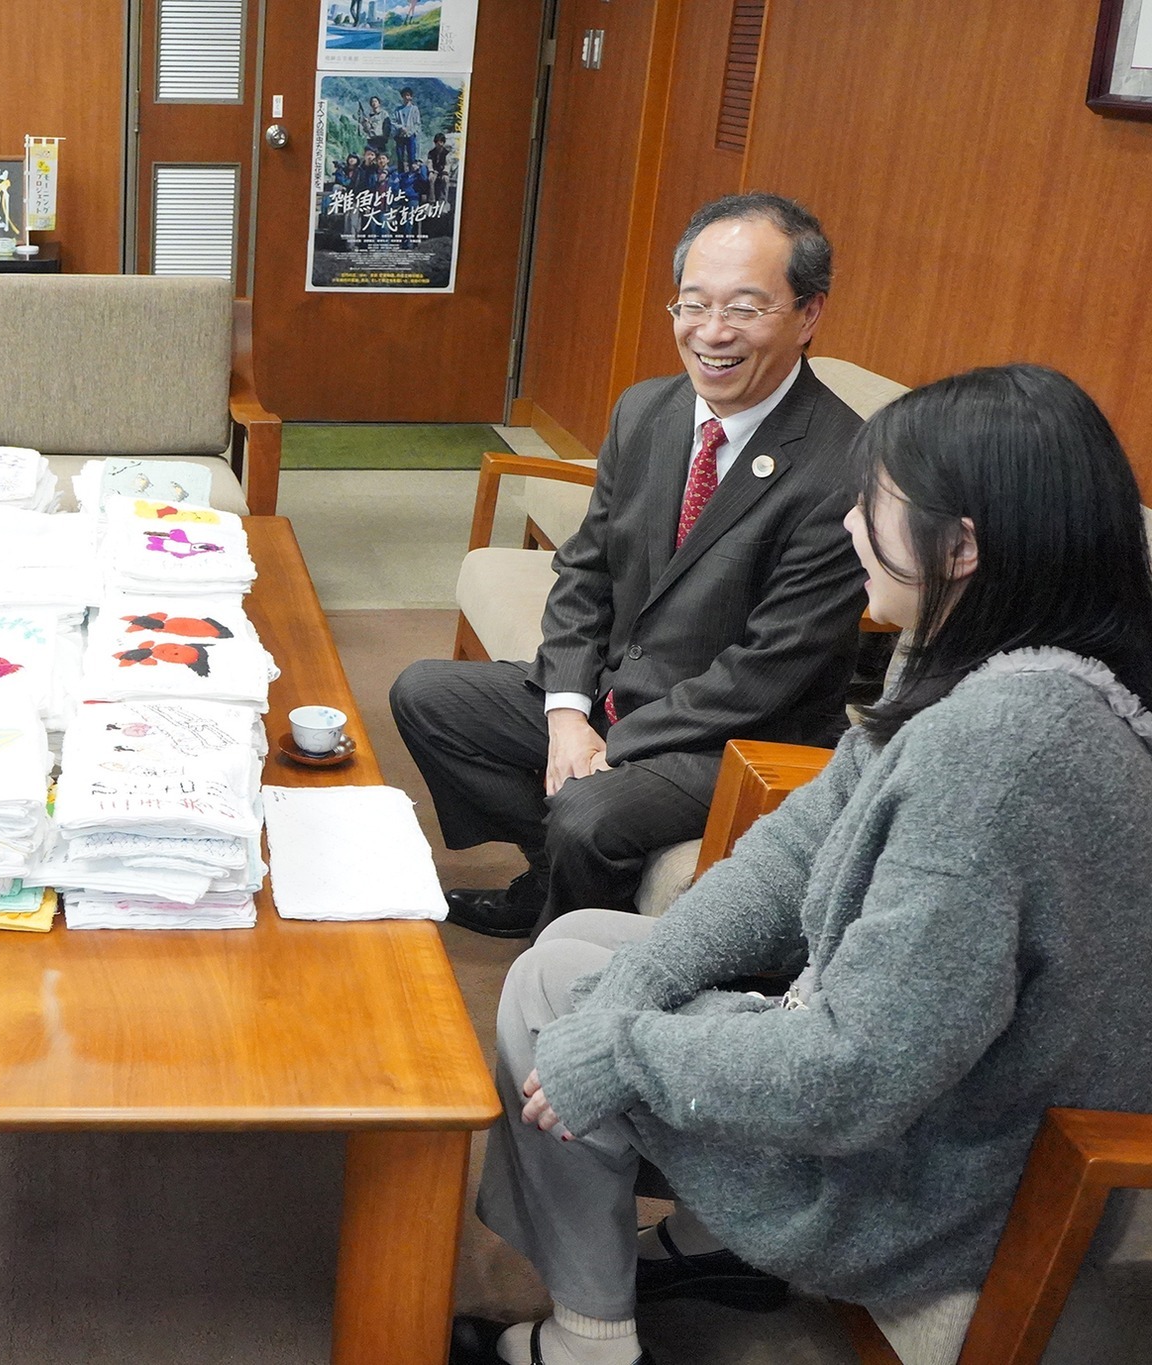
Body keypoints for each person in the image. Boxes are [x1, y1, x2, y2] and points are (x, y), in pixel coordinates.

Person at [456, 363, 1152, 1365]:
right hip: (938, 1097)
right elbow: (795, 843)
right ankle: (706, 1247)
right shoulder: (976, 658)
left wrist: (620, 1043)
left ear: (959, 546)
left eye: (872, 508)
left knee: (552, 998)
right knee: (585, 949)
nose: (849, 529)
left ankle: (585, 1342)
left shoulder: (1000, 747)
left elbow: (853, 1076)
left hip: (940, 1184)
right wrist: (640, 986)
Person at [392, 193, 866, 938]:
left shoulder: (843, 465)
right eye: (694, 303)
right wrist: (569, 711)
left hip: (735, 736)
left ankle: (575, 967)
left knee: (588, 808)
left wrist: (610, 742)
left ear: (809, 315)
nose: (712, 332)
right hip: (619, 697)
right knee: (428, 696)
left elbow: (770, 669)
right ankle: (555, 873)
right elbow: (584, 573)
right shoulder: (648, 410)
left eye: (744, 309)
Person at [389, 86, 422, 172]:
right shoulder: (398, 110)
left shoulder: (414, 109)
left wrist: (411, 131)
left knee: (411, 157)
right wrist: (401, 127)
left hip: (410, 136)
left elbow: (417, 123)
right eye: (404, 95)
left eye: (408, 95)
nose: (406, 97)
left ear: (411, 97)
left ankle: (411, 176)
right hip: (400, 136)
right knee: (400, 157)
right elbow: (393, 121)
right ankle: (401, 176)